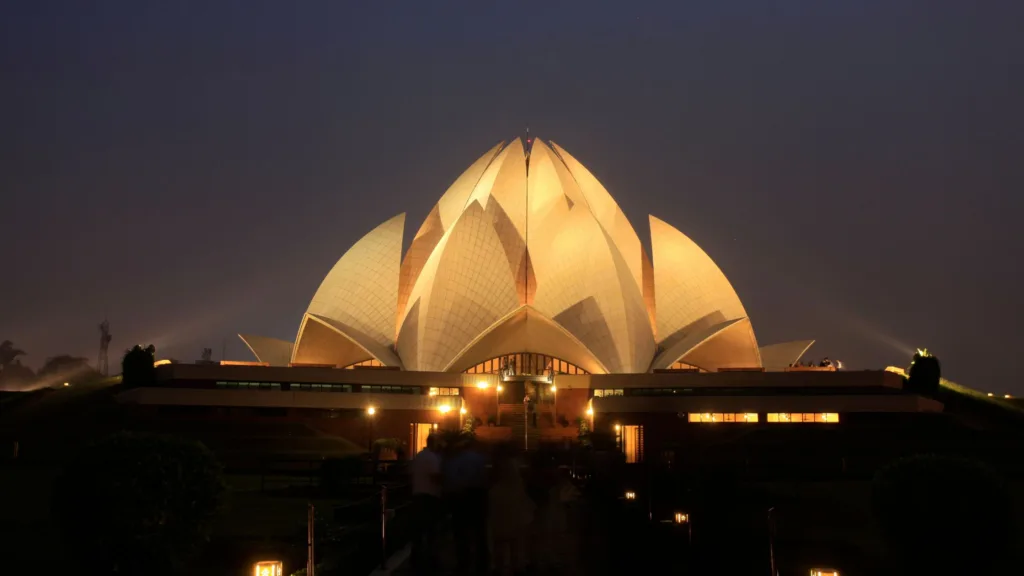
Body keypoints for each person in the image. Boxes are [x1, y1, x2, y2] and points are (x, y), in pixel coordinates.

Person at [444, 435, 489, 576]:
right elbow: (485, 476)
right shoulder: (481, 459)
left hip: (461, 497)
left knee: (461, 533)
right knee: (480, 532)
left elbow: (451, 477)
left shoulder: (456, 460)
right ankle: (482, 562)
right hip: (478, 495)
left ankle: (463, 562)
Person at [490, 444, 534, 576]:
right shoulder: (515, 466)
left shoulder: (499, 466)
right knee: (515, 539)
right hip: (512, 501)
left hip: (501, 502)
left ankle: (501, 566)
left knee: (501, 539)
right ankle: (516, 565)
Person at [410, 434, 443, 574]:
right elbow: (435, 476)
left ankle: (416, 559)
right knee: (431, 530)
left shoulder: (419, 456)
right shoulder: (432, 458)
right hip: (429, 497)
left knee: (417, 530)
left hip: (417, 495)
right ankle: (431, 560)